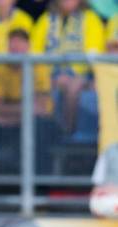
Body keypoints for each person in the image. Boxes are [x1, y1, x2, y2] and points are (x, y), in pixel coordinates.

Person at [0, 29, 58, 174]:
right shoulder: (0, 67)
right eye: (13, 48)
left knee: (40, 125)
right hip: (13, 120)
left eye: (20, 47)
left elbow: (40, 107)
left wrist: (5, 114)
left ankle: (40, 185)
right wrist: (23, 112)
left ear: (28, 47)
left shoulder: (39, 66)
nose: (16, 51)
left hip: (28, 120)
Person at [31, 0, 105, 132]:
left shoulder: (91, 19)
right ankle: (48, 136)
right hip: (49, 76)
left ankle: (67, 133)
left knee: (73, 87)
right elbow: (34, 53)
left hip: (81, 76)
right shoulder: (45, 19)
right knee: (37, 90)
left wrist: (71, 76)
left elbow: (94, 53)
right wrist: (48, 78)